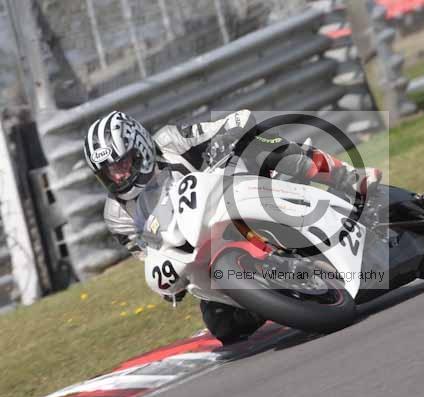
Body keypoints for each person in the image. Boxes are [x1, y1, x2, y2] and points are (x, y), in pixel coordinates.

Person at [83, 109, 381, 344]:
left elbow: (234, 123)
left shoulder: (172, 141)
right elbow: (147, 254)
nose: (117, 177)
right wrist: (168, 285)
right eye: (108, 172)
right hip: (203, 251)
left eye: (121, 164)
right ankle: (281, 294)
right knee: (223, 326)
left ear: (140, 148)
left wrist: (229, 135)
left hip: (236, 193)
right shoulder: (117, 215)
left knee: (259, 145)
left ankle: (346, 178)